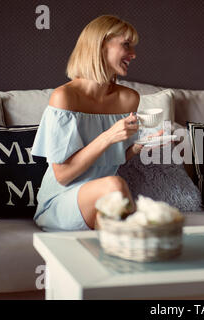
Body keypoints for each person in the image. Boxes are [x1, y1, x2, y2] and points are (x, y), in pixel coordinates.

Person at [31, 15, 149, 231]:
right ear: (100, 45)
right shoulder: (64, 97)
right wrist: (108, 136)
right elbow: (63, 176)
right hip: (61, 201)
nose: (133, 54)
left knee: (113, 190)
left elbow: (114, 159)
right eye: (126, 45)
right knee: (114, 185)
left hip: (105, 199)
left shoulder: (129, 98)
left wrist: (140, 147)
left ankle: (125, 250)